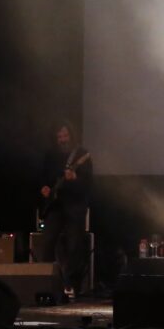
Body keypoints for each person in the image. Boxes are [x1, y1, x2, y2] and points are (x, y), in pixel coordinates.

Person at [38, 121, 93, 300]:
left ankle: (71, 285)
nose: (62, 139)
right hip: (55, 206)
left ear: (71, 135)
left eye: (65, 135)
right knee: (47, 242)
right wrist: (44, 187)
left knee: (74, 245)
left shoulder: (82, 155)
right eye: (59, 136)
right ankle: (45, 283)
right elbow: (44, 177)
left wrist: (75, 178)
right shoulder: (50, 155)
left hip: (74, 205)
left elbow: (88, 184)